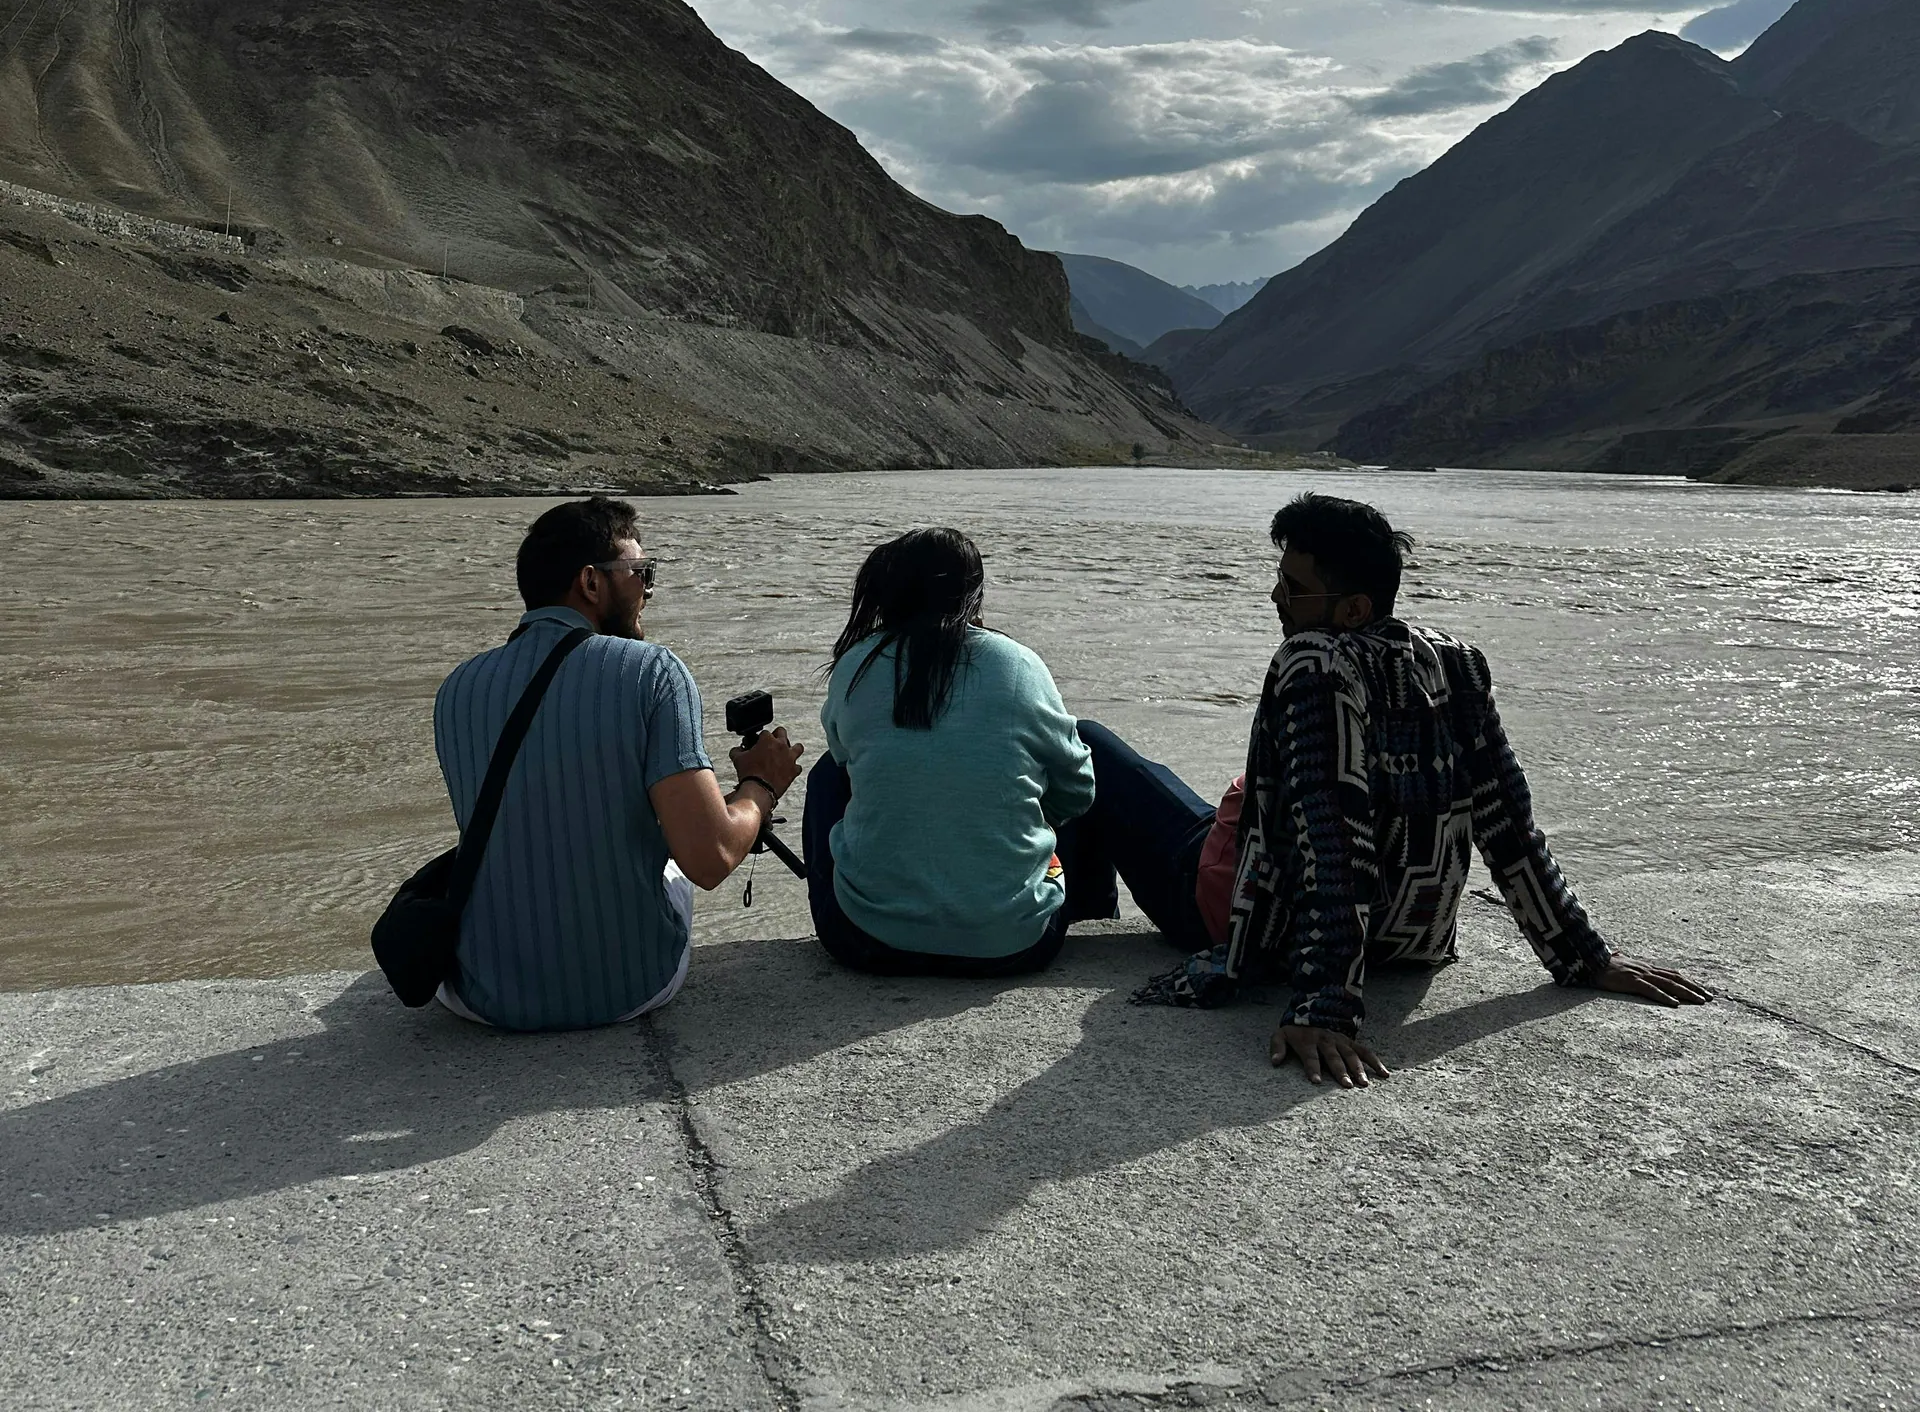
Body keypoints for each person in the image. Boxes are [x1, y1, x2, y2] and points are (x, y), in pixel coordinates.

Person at [1095, 492, 1710, 1084]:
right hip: (1409, 941)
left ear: (1354, 610)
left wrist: (1324, 1005)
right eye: (1280, 581)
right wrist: (1582, 956)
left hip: (1249, 919)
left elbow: (1330, 837)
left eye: (1297, 589)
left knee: (1086, 744)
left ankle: (1054, 916)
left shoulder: (1311, 662)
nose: (1277, 598)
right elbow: (1508, 822)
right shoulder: (1456, 664)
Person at [432, 495, 803, 1030]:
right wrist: (759, 785)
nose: (648, 589)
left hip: (481, 999)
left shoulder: (457, 687)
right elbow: (711, 858)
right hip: (626, 988)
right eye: (642, 573)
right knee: (676, 850)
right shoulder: (653, 672)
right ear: (591, 583)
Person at [804, 527, 1100, 976]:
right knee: (1063, 763)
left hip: (864, 942)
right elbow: (1080, 789)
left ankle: (880, 898)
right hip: (1013, 947)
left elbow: (846, 761)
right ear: (973, 592)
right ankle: (1091, 915)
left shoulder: (856, 665)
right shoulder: (1017, 664)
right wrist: (1037, 820)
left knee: (828, 772)